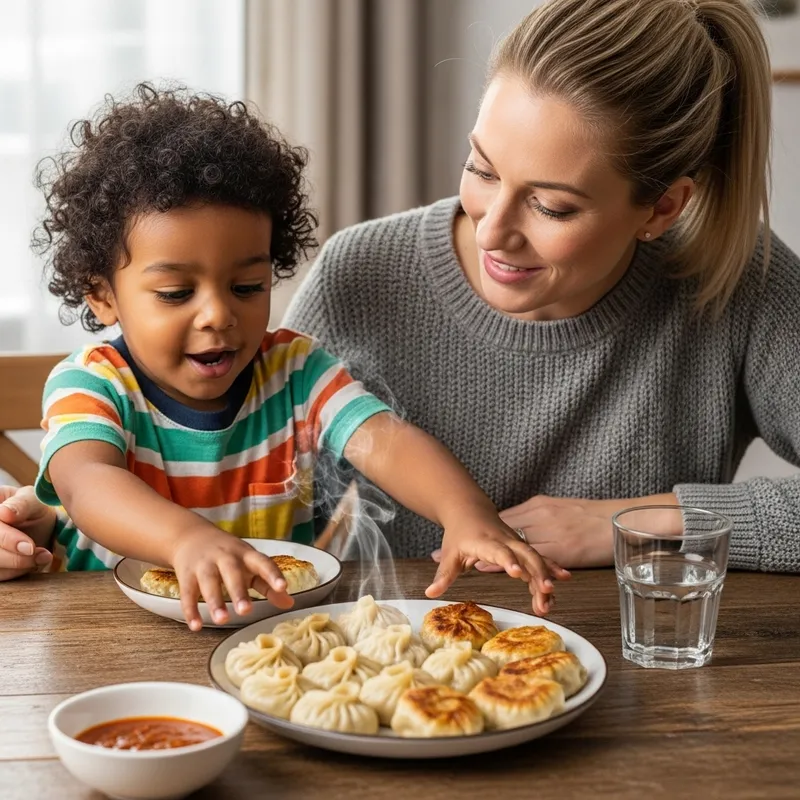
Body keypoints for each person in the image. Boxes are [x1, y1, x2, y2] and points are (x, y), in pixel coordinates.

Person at [0, 84, 568, 627]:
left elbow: (385, 441)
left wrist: (464, 511)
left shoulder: (295, 370)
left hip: (272, 629)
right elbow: (88, 484)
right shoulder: (93, 384)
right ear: (103, 295)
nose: (218, 315)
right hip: (108, 633)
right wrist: (185, 539)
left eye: (247, 287)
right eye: (176, 293)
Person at [282, 0, 800, 572]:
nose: (493, 230)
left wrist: (642, 522)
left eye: (551, 207)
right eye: (481, 169)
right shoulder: (359, 274)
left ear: (662, 208)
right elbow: (225, 472)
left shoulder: (735, 277)